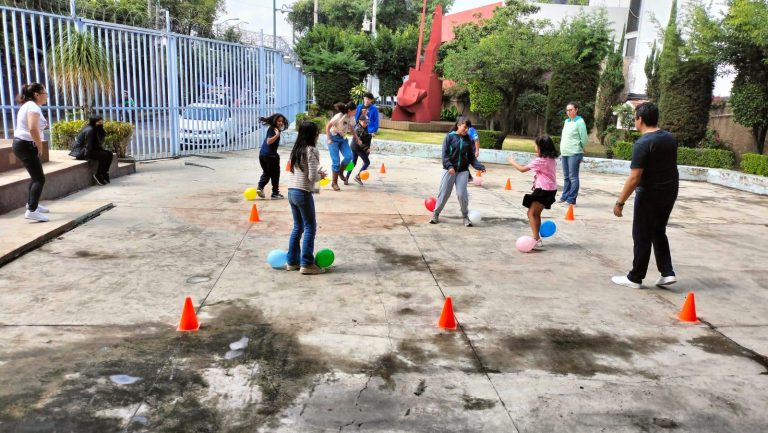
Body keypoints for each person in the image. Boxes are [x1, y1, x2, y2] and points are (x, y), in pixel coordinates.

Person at [611, 102, 679, 289]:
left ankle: (635, 277)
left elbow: (634, 178)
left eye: (635, 118)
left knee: (641, 234)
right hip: (670, 191)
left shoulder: (643, 143)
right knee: (658, 230)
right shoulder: (669, 138)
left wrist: (620, 202)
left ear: (640, 119)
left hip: (650, 194)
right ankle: (667, 272)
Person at [286, 121, 328, 275]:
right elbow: (312, 177)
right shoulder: (311, 150)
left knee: (298, 227)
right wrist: (321, 175)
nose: (318, 135)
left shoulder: (296, 149)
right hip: (303, 192)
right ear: (313, 134)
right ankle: (307, 263)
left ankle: (292, 262)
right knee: (310, 227)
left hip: (291, 191)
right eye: (317, 132)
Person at [429, 117, 486, 227]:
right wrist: (449, 166)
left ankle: (465, 216)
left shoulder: (468, 140)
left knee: (462, 194)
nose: (467, 130)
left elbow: (471, 157)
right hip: (449, 170)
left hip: (462, 171)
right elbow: (445, 155)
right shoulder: (449, 137)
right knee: (444, 193)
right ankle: (436, 214)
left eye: (468, 128)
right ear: (459, 125)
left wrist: (479, 166)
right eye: (465, 127)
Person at [508, 135, 559, 249]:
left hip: (543, 190)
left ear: (541, 148)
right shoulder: (551, 159)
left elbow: (522, 169)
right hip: (550, 190)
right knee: (536, 214)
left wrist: (512, 161)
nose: (535, 148)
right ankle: (537, 238)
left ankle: (536, 239)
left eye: (536, 146)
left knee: (530, 214)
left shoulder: (540, 161)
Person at [13, 83, 50, 222]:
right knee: (39, 179)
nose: (46, 96)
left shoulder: (30, 106)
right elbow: (32, 128)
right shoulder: (32, 107)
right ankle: (32, 210)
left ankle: (31, 204)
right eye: (45, 93)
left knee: (35, 177)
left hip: (24, 144)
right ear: (37, 94)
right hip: (26, 145)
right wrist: (39, 145)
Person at [325, 102, 360, 191]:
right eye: (355, 111)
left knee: (349, 156)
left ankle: (340, 171)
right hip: (333, 138)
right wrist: (329, 139)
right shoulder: (339, 116)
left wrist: (357, 138)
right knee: (336, 162)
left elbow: (352, 128)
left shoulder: (351, 118)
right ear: (349, 110)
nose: (356, 112)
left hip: (342, 139)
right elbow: (328, 126)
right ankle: (334, 182)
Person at [70, 115, 114, 185]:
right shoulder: (90, 130)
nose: (101, 124)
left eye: (101, 122)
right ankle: (98, 174)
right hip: (81, 151)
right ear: (94, 122)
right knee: (104, 155)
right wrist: (87, 157)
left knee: (109, 154)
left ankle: (105, 172)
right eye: (99, 122)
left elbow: (96, 143)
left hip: (90, 149)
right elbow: (88, 145)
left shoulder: (95, 129)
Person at [558, 101, 587, 205]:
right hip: (565, 153)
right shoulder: (567, 121)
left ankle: (571, 199)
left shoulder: (580, 122)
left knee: (573, 177)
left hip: (574, 153)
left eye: (571, 110)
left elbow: (584, 138)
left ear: (576, 110)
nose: (569, 112)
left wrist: (581, 148)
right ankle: (564, 196)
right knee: (566, 177)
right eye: (567, 110)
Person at [256, 113, 288, 199]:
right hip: (270, 156)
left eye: (282, 121)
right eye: (279, 121)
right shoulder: (274, 130)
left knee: (267, 172)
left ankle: (260, 187)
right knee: (275, 174)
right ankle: (275, 193)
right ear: (275, 121)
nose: (281, 123)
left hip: (262, 154)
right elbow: (269, 141)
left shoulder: (272, 128)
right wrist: (277, 135)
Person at [344, 111, 372, 185]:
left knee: (353, 162)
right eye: (364, 122)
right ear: (359, 121)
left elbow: (365, 137)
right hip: (357, 147)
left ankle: (346, 178)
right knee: (367, 162)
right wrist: (366, 149)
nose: (366, 124)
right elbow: (359, 142)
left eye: (367, 122)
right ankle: (358, 176)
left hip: (354, 147)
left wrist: (369, 135)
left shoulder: (362, 127)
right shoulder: (359, 129)